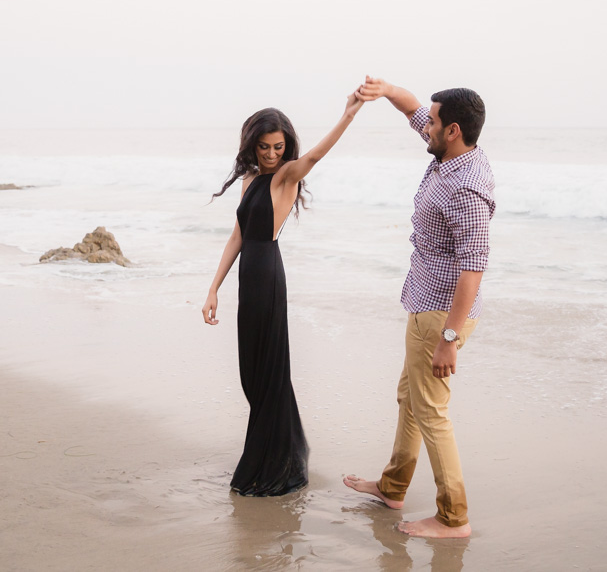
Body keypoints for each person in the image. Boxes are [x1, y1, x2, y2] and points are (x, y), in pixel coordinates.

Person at [344, 76, 495, 538]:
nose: (422, 126)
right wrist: (384, 89)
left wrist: (449, 339)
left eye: (431, 122)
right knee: (411, 399)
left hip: (441, 316)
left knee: (430, 411)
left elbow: (473, 267)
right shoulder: (449, 152)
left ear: (452, 130)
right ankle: (393, 487)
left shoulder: (466, 186)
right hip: (425, 302)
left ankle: (454, 517)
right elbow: (412, 106)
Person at [203, 91, 364, 496]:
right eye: (264, 147)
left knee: (271, 373)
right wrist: (213, 288)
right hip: (247, 279)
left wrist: (347, 115)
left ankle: (271, 462)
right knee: (252, 374)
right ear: (251, 144)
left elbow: (315, 157)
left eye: (278, 147)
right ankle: (274, 449)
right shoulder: (250, 179)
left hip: (269, 278)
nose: (272, 154)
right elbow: (236, 237)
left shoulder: (286, 176)